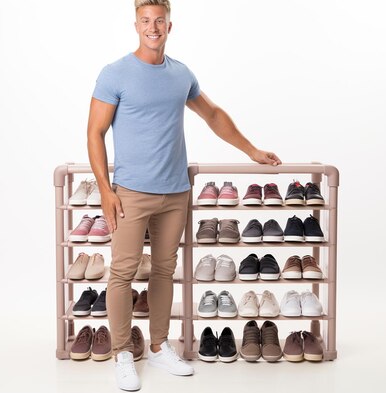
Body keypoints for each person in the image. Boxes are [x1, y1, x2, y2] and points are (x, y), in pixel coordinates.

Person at [87, 0, 282, 390]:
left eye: (159, 21)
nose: (152, 28)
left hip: (176, 191)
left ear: (169, 25)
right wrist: (106, 190)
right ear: (136, 24)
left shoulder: (181, 75)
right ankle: (123, 353)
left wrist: (251, 150)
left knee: (163, 270)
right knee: (123, 272)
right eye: (145, 21)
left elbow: (212, 115)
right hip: (131, 192)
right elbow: (95, 132)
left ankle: (159, 347)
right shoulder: (115, 73)